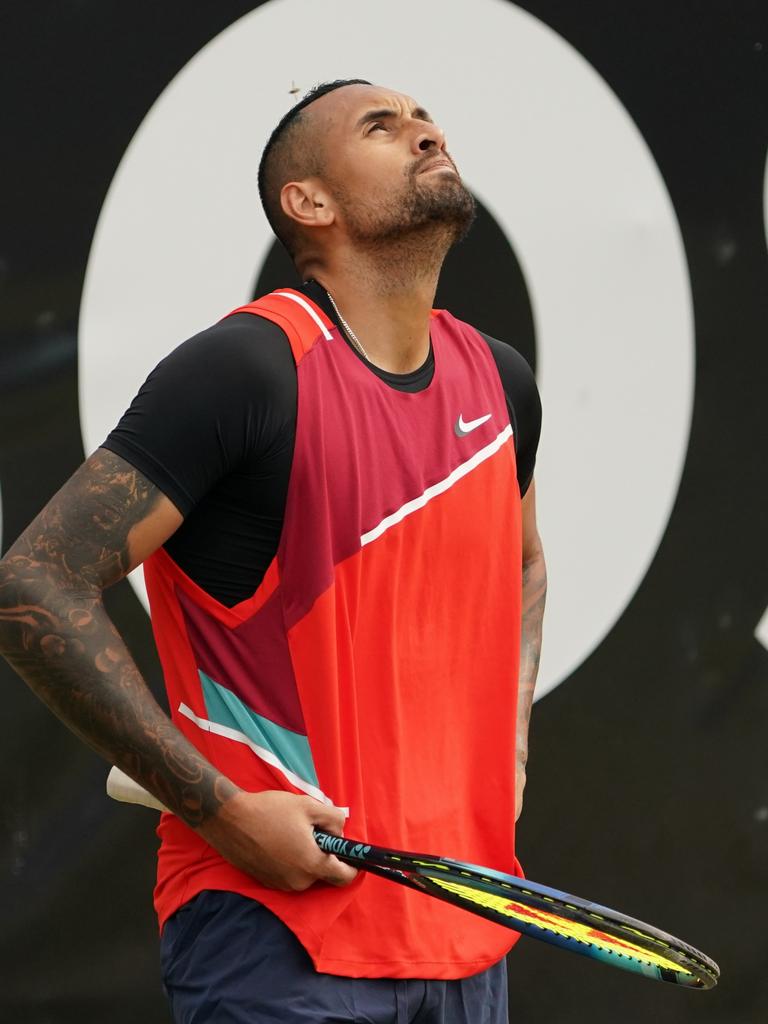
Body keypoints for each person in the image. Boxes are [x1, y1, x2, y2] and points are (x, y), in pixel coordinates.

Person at [0, 79, 545, 1023]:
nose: (424, 133)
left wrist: (513, 744)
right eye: (384, 126)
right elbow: (34, 582)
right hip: (277, 936)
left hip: (464, 927)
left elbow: (524, 566)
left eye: (426, 120)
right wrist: (218, 809)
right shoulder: (243, 371)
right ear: (310, 202)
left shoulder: (501, 381)